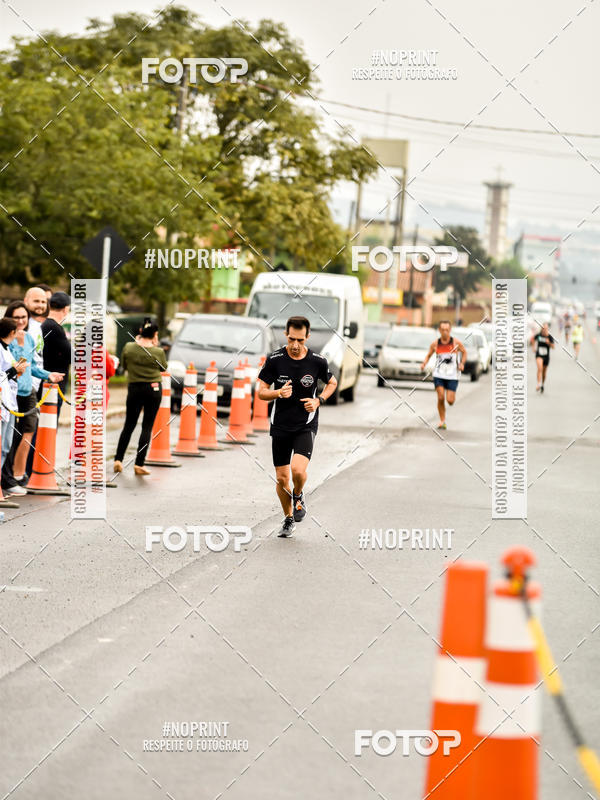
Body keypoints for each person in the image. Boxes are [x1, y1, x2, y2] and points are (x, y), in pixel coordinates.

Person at [256, 316, 337, 538]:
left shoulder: (318, 362)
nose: (295, 345)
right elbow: (261, 391)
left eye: (300, 340)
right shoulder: (275, 359)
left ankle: (299, 495)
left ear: (307, 337)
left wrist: (319, 400)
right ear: (286, 334)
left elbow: (332, 382)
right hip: (280, 424)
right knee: (282, 479)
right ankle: (289, 518)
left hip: (305, 424)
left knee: (298, 470)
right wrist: (277, 393)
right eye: (291, 339)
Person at [2, 302, 63, 495]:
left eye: (23, 317)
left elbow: (31, 367)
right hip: (10, 393)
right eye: (16, 317)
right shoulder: (6, 339)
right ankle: (7, 478)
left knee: (28, 431)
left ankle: (19, 475)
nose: (20, 321)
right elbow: (11, 366)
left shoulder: (30, 338)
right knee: (8, 437)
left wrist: (48, 375)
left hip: (27, 391)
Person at [114, 320, 167, 476]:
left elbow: (123, 364)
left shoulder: (129, 348)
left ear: (139, 332)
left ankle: (118, 459)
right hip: (153, 389)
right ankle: (139, 464)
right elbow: (164, 367)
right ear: (155, 335)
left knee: (129, 424)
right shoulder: (158, 352)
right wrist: (155, 344)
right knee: (147, 426)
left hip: (134, 388)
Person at [421, 321, 467, 430]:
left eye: (447, 329)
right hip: (439, 374)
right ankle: (442, 421)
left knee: (450, 401)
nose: (445, 332)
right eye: (443, 329)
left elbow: (464, 352)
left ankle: (444, 415)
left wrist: (462, 363)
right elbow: (428, 355)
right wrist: (424, 363)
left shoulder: (456, 342)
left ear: (450, 330)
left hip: (452, 375)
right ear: (439, 330)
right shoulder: (435, 344)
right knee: (441, 397)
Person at [0, 318, 27, 469]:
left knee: (6, 445)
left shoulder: (7, 348)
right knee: (2, 444)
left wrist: (17, 372)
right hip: (2, 403)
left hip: (10, 403)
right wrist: (14, 370)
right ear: (12, 332)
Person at [41, 291, 71, 421]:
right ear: (66, 309)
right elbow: (72, 355)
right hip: (53, 384)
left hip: (46, 381)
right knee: (49, 427)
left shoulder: (45, 324)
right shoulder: (54, 328)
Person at [531, 323, 555, 393]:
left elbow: (553, 347)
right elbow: (532, 339)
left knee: (544, 373)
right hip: (539, 355)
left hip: (546, 356)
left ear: (548, 329)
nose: (544, 330)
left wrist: (549, 343)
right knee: (539, 368)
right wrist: (533, 347)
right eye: (543, 328)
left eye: (546, 329)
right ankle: (538, 384)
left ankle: (542, 384)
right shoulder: (538, 335)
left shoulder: (549, 337)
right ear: (541, 328)